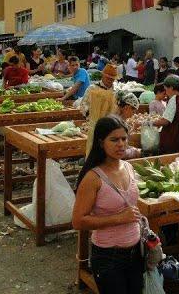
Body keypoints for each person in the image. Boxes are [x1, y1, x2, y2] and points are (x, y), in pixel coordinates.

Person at [72, 116, 144, 294]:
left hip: (136, 251)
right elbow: (78, 221)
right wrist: (119, 218)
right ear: (100, 142)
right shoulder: (93, 178)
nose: (120, 144)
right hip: (108, 257)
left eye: (124, 139)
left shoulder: (129, 168)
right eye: (114, 139)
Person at [79, 63, 119, 154]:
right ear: (103, 75)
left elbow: (117, 108)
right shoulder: (92, 88)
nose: (110, 80)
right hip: (94, 127)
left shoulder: (116, 91)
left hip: (110, 128)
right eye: (108, 77)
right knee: (93, 152)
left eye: (112, 79)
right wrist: (90, 114)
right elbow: (83, 105)